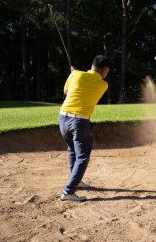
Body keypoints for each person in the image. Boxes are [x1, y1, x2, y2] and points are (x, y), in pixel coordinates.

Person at [58, 55, 110, 201]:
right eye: (107, 72)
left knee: (72, 149)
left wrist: (73, 74)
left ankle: (76, 181)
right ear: (104, 70)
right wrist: (75, 74)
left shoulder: (75, 74)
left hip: (62, 118)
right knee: (82, 156)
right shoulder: (103, 85)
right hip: (79, 122)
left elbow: (66, 92)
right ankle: (68, 191)